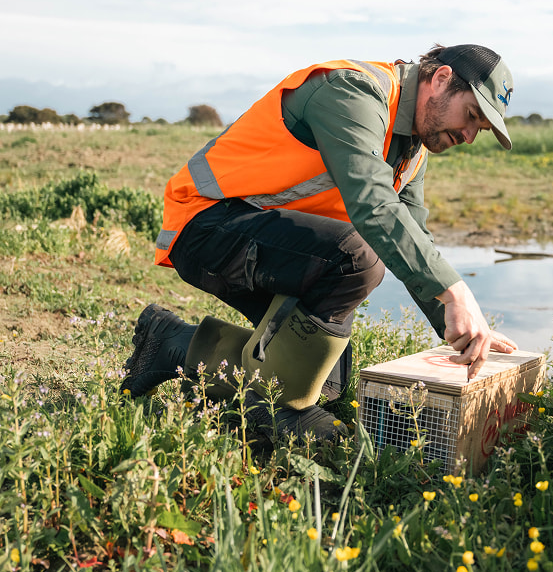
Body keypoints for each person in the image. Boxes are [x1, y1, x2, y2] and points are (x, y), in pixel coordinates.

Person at [121, 44, 518, 440]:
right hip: (205, 225)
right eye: (471, 116)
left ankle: (172, 344)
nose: (468, 136)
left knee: (326, 381)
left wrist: (463, 330)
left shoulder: (412, 148)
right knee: (356, 259)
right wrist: (455, 292)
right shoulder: (353, 92)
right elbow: (374, 205)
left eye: (478, 129)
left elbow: (413, 235)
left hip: (272, 243)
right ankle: (278, 416)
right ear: (442, 78)